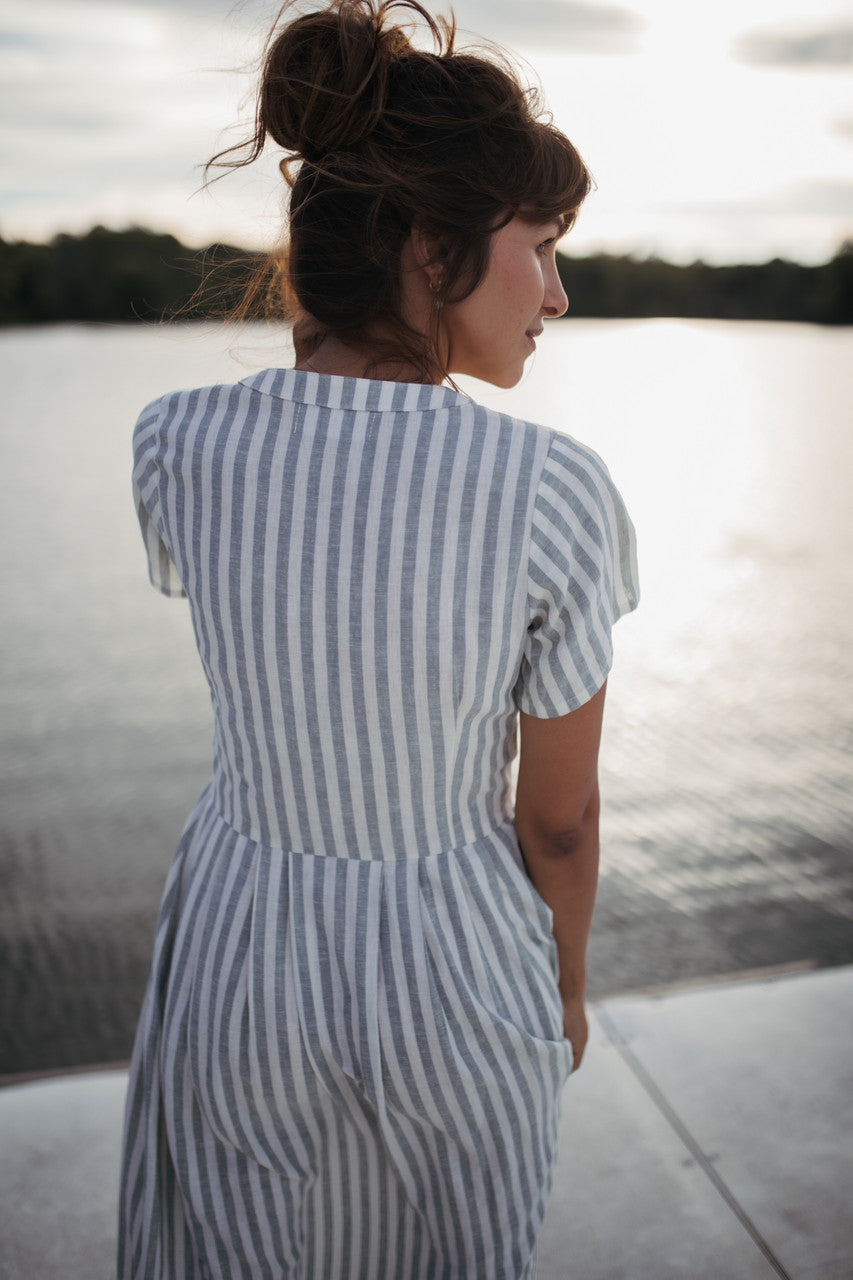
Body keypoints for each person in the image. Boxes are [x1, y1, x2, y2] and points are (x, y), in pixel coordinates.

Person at [118, 1, 639, 1276]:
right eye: (542, 247)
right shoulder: (549, 490)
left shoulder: (176, 441)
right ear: (427, 242)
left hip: (239, 941)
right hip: (451, 965)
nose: (558, 296)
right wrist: (561, 988)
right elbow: (557, 825)